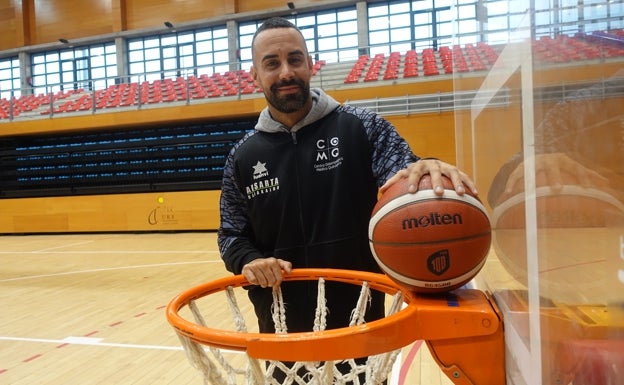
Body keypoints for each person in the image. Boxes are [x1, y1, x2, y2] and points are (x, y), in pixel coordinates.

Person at [217, 17, 478, 382]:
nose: (286, 71)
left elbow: (405, 177)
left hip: (360, 325)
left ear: (311, 64)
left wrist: (425, 165)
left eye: (295, 59)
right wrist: (251, 260)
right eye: (272, 63)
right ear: (255, 77)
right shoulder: (242, 157)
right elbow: (231, 236)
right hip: (282, 330)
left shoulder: (362, 128)